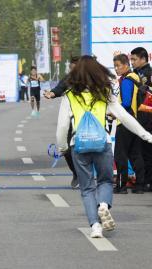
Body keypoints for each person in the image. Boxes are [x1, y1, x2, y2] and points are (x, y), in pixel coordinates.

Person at [56, 55, 152, 238]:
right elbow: (124, 117)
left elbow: (62, 127)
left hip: (79, 145)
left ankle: (95, 227)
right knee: (106, 181)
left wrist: (62, 147)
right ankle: (103, 205)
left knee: (87, 189)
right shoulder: (104, 93)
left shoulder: (69, 96)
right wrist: (146, 135)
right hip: (103, 144)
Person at [44, 56, 80, 189]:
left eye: (74, 68)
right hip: (70, 119)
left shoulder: (90, 80)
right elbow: (59, 88)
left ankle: (90, 175)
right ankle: (76, 173)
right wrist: (52, 93)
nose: (72, 70)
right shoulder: (68, 79)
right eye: (71, 68)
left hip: (87, 120)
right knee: (66, 148)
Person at [113, 54, 146, 194]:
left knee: (120, 155)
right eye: (114, 66)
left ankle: (121, 186)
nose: (116, 69)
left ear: (126, 65)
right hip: (136, 122)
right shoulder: (136, 77)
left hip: (125, 121)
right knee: (135, 154)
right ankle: (140, 185)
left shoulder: (126, 80)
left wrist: (113, 110)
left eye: (118, 66)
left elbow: (126, 103)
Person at [130, 47, 152, 192]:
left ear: (144, 59)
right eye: (131, 59)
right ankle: (143, 180)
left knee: (147, 150)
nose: (132, 62)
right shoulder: (136, 73)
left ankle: (148, 182)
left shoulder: (148, 74)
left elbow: (147, 93)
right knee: (140, 150)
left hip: (147, 116)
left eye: (134, 59)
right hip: (139, 116)